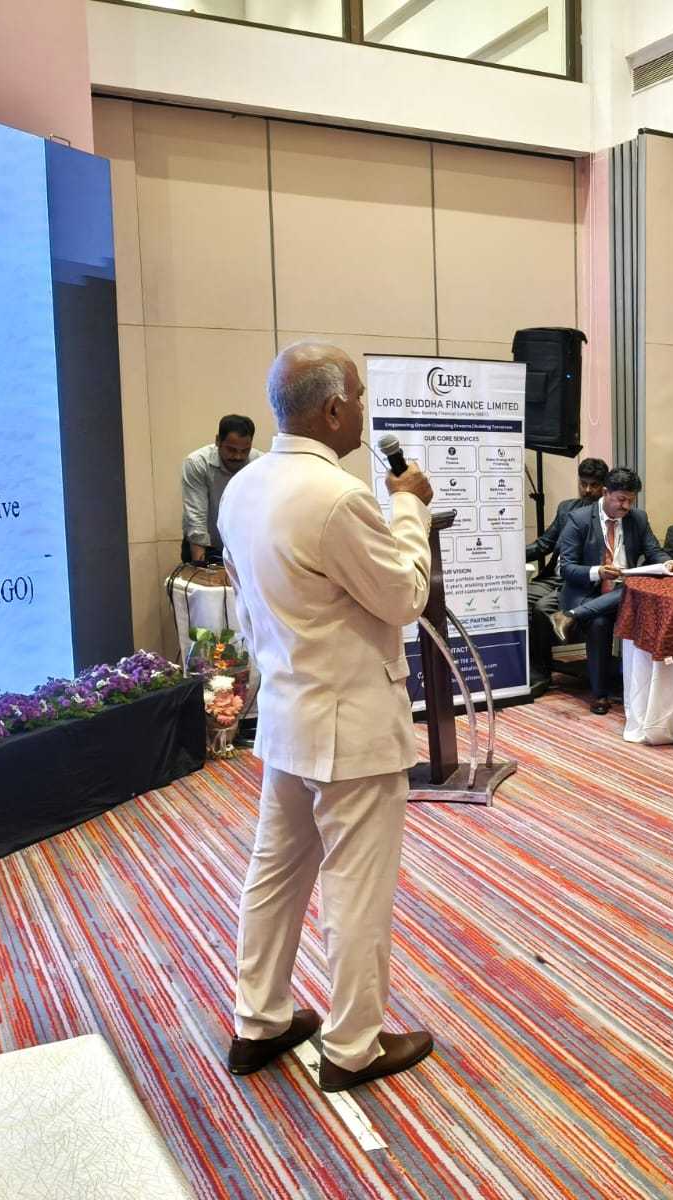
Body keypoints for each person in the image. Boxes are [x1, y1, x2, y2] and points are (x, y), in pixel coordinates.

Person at [218, 342, 435, 1092]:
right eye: (361, 396)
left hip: (288, 713)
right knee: (356, 886)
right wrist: (410, 506)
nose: (365, 407)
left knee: (275, 875)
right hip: (353, 727)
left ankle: (259, 1021)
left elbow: (250, 608)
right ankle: (352, 1046)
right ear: (335, 408)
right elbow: (404, 595)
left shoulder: (244, 487)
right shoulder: (339, 497)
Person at [554, 467, 673, 714]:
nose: (626, 506)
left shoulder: (638, 518)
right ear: (606, 492)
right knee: (599, 623)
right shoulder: (578, 519)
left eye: (630, 501)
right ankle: (600, 694)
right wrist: (598, 571)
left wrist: (668, 562)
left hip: (623, 590)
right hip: (587, 591)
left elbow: (654, 551)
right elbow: (566, 568)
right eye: (621, 499)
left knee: (637, 589)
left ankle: (570, 616)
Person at [526, 457, 609, 690]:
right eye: (583, 484)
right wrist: (510, 557)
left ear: (605, 486)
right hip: (553, 576)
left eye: (594, 485)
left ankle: (541, 672)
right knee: (519, 599)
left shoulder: (608, 515)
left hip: (580, 580)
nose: (588, 490)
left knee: (542, 607)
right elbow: (544, 544)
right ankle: (529, 666)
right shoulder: (566, 508)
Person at [181, 414, 261, 563]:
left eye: (245, 450)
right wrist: (199, 566)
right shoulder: (197, 463)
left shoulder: (260, 464)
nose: (238, 456)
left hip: (242, 547)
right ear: (218, 441)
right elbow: (196, 518)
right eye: (231, 450)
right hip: (206, 545)